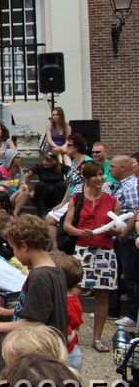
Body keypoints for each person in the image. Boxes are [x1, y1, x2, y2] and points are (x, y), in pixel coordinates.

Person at [0, 215, 67, 336]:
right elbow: (43, 310)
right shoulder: (54, 269)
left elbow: (34, 324)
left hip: (41, 344)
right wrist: (10, 312)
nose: (14, 254)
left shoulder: (39, 277)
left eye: (13, 249)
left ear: (24, 246)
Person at [63, 160, 124, 352]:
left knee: (102, 295)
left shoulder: (113, 201)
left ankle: (97, 338)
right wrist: (80, 232)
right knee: (75, 291)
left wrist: (111, 231)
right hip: (83, 250)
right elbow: (67, 225)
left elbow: (119, 229)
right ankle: (71, 331)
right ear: (86, 178)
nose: (99, 178)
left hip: (105, 251)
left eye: (100, 174)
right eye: (95, 175)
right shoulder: (77, 198)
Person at [111, 154, 139, 326]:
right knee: (117, 273)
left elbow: (136, 213)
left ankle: (132, 315)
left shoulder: (131, 187)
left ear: (122, 168)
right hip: (118, 237)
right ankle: (113, 310)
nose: (110, 169)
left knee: (131, 277)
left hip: (128, 240)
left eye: (113, 166)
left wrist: (124, 234)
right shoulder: (120, 185)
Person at [52, 252, 84, 370]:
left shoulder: (64, 303)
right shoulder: (74, 300)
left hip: (66, 355)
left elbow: (68, 336)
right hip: (71, 352)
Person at [11, 150, 67, 216]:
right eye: (44, 160)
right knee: (40, 185)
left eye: (48, 161)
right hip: (43, 196)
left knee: (61, 185)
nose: (44, 162)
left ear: (54, 161)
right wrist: (31, 189)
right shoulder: (39, 166)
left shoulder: (61, 167)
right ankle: (42, 211)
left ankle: (58, 209)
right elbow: (26, 176)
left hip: (56, 195)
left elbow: (73, 171)